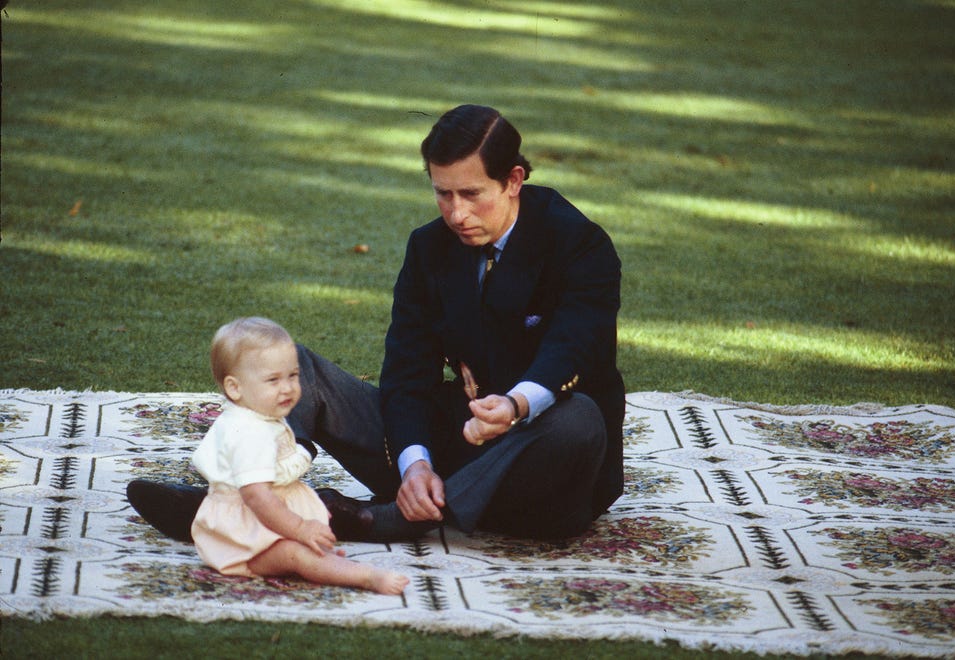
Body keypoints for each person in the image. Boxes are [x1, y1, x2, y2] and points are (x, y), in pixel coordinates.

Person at [128, 104, 624, 543]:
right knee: (291, 365)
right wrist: (416, 465)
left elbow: (573, 347)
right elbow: (409, 372)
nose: (456, 213)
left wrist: (516, 405)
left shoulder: (578, 243)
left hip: (545, 469)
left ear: (514, 180)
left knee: (577, 419)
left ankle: (386, 521)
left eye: (472, 194)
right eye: (443, 194)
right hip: (458, 439)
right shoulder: (429, 248)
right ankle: (247, 497)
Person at [187, 317, 408, 594]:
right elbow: (258, 497)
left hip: (264, 521)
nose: (288, 388)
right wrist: (301, 528)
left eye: (293, 375)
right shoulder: (248, 434)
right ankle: (365, 577)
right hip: (245, 537)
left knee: (309, 547)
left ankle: (320, 559)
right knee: (296, 556)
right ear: (235, 388)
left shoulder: (257, 414)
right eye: (273, 380)